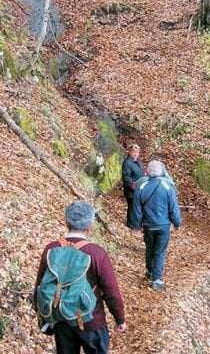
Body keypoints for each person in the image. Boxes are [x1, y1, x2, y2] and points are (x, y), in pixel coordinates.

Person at [34, 201, 126, 353]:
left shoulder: (51, 249)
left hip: (62, 319)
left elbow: (40, 285)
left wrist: (43, 314)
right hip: (92, 320)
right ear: (89, 226)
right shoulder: (97, 253)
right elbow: (111, 292)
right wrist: (120, 319)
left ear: (66, 222)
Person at [130, 160, 181, 291]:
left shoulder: (141, 186)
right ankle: (157, 279)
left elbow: (136, 209)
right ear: (161, 172)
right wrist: (177, 222)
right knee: (159, 252)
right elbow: (173, 207)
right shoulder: (167, 186)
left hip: (148, 225)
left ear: (148, 171)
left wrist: (137, 225)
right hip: (163, 225)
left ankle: (150, 271)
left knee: (149, 248)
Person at [121, 144, 145, 228]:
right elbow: (126, 177)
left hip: (140, 190)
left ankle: (137, 225)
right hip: (131, 190)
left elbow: (142, 174)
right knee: (132, 208)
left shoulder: (139, 162)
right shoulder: (127, 163)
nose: (135, 154)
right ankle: (132, 226)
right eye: (134, 152)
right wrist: (133, 186)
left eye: (137, 152)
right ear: (129, 152)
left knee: (138, 208)